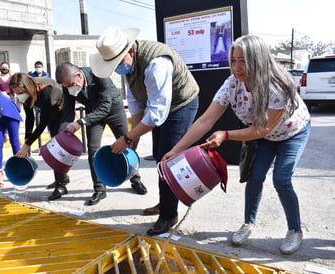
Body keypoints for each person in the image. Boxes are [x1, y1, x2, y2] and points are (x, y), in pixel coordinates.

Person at [162, 35, 311, 255]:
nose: (237, 67)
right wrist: (176, 150)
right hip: (265, 135)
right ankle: (248, 223)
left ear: (258, 60)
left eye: (243, 61)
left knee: (281, 178)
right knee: (255, 175)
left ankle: (294, 230)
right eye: (233, 60)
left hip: (291, 132)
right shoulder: (232, 84)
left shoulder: (276, 86)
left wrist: (226, 134)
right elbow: (205, 120)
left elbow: (263, 129)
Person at [89, 27, 199, 223]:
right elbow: (135, 103)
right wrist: (134, 137)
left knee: (167, 159)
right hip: (161, 106)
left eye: (118, 63)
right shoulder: (127, 65)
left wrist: (127, 138)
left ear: (130, 51)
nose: (117, 68)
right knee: (159, 156)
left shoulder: (156, 65)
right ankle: (166, 202)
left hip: (181, 104)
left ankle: (168, 215)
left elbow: (157, 115)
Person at [56, 62, 148, 205]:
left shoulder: (98, 73)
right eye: (66, 87)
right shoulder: (68, 85)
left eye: (71, 85)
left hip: (113, 110)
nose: (69, 89)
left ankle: (135, 179)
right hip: (92, 114)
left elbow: (105, 107)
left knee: (126, 144)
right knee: (93, 150)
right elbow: (68, 111)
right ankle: (99, 189)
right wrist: (60, 136)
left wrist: (81, 122)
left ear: (79, 75)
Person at [9, 73, 75, 200]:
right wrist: (27, 140)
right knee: (55, 144)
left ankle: (61, 186)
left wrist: (27, 145)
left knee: (57, 146)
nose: (19, 96)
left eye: (20, 92)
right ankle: (62, 177)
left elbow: (43, 122)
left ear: (27, 88)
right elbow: (30, 117)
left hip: (64, 110)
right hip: (52, 112)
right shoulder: (27, 94)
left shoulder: (45, 90)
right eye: (16, 93)